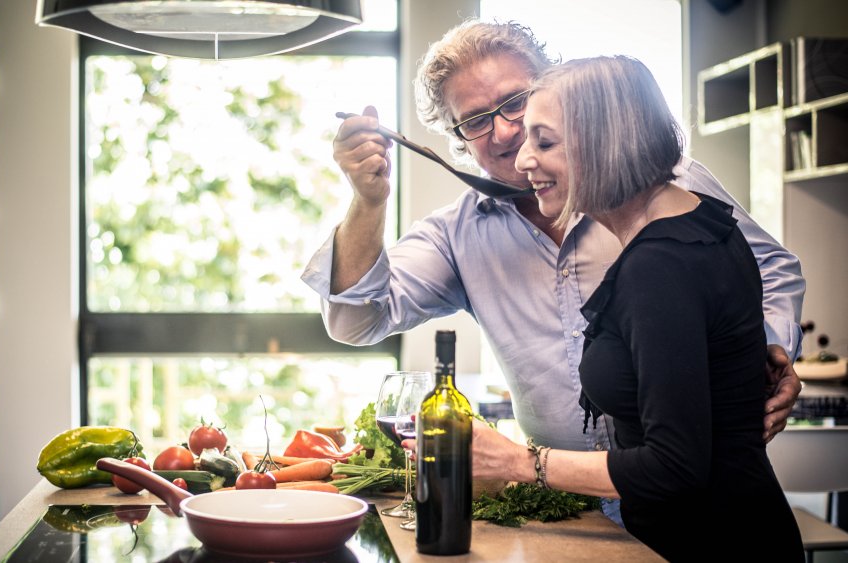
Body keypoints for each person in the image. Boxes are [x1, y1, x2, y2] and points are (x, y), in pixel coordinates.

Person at [301, 20, 804, 519]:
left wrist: (757, 359)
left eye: (515, 102)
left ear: (551, 88)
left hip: (695, 506)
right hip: (568, 504)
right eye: (475, 120)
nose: (504, 132)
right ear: (457, 137)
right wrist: (368, 202)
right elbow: (355, 320)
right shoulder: (456, 235)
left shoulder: (661, 189)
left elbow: (770, 270)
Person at [477, 54, 802, 560]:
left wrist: (521, 462)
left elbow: (674, 466)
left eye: (544, 142)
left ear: (602, 142)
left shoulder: (659, 266)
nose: (522, 161)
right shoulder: (705, 221)